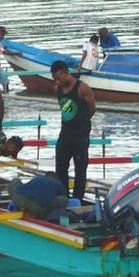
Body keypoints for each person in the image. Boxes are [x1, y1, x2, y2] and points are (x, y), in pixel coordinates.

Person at [51, 60, 96, 200]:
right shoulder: (57, 88)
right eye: (55, 79)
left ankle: (77, 199)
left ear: (66, 73)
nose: (57, 82)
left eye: (59, 78)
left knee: (80, 169)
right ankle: (63, 196)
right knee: (60, 167)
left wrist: (82, 121)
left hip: (80, 134)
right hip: (65, 132)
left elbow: (92, 108)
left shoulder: (82, 88)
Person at [0, 26, 20, 92]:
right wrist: (15, 53)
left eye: (4, 34)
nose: (3, 36)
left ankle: (5, 95)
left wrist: (4, 47)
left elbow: (0, 48)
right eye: (3, 34)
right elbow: (3, 51)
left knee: (5, 82)